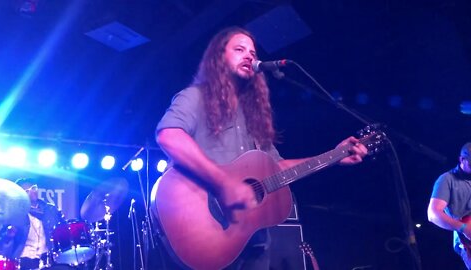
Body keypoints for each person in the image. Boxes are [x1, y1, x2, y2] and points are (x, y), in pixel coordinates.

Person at [155, 26, 368, 269]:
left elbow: (276, 168)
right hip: (207, 227)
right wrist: (223, 184)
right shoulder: (195, 97)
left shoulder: (255, 116)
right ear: (218, 57)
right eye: (239, 49)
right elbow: (169, 135)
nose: (249, 56)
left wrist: (334, 155)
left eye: (252, 53)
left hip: (254, 240)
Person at [0, 178, 65, 270]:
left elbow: (63, 232)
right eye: (26, 191)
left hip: (47, 261)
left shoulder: (51, 209)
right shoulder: (15, 213)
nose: (32, 192)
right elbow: (1, 243)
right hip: (22, 261)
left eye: (34, 188)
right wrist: (9, 235)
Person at [428, 142, 471, 269]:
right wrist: (464, 228)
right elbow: (433, 214)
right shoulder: (447, 179)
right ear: (462, 159)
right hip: (466, 240)